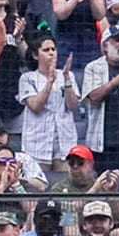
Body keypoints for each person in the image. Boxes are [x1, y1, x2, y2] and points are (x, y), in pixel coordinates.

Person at [15, 37, 81, 176]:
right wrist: (50, 82)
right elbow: (35, 106)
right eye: (46, 50)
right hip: (37, 142)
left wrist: (67, 79)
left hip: (64, 141)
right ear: (35, 55)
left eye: (53, 49)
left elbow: (73, 105)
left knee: (63, 186)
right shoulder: (28, 78)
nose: (51, 53)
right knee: (37, 187)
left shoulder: (68, 76)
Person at [79, 26, 119, 172]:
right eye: (118, 40)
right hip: (104, 146)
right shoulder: (93, 67)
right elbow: (94, 97)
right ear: (105, 46)